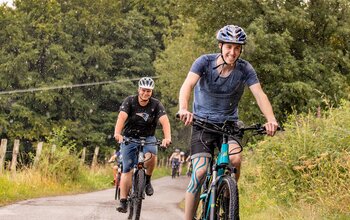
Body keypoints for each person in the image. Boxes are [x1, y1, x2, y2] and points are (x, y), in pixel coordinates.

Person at [177, 25, 279, 219]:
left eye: (237, 48)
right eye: (229, 47)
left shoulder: (245, 69)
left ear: (241, 50)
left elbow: (259, 94)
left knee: (235, 159)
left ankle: (228, 197)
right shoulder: (204, 62)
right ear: (220, 45)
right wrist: (183, 108)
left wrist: (271, 120)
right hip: (203, 124)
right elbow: (187, 85)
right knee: (199, 172)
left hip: (229, 125)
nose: (233, 52)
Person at [114, 77, 172, 213]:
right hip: (129, 137)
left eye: (149, 91)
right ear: (139, 89)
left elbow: (165, 122)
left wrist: (167, 138)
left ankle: (147, 180)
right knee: (127, 169)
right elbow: (121, 117)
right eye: (144, 90)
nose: (146, 93)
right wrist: (118, 133)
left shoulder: (156, 105)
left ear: (152, 92)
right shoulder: (130, 101)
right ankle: (123, 201)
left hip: (148, 137)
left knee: (152, 154)